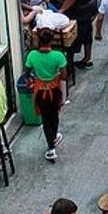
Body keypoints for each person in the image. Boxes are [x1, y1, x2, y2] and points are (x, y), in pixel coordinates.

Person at [25, 30, 67, 162]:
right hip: (54, 91)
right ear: (51, 40)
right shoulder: (58, 56)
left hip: (40, 92)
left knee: (45, 118)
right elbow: (64, 75)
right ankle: (53, 139)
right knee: (54, 115)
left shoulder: (32, 55)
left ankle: (51, 146)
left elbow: (27, 72)